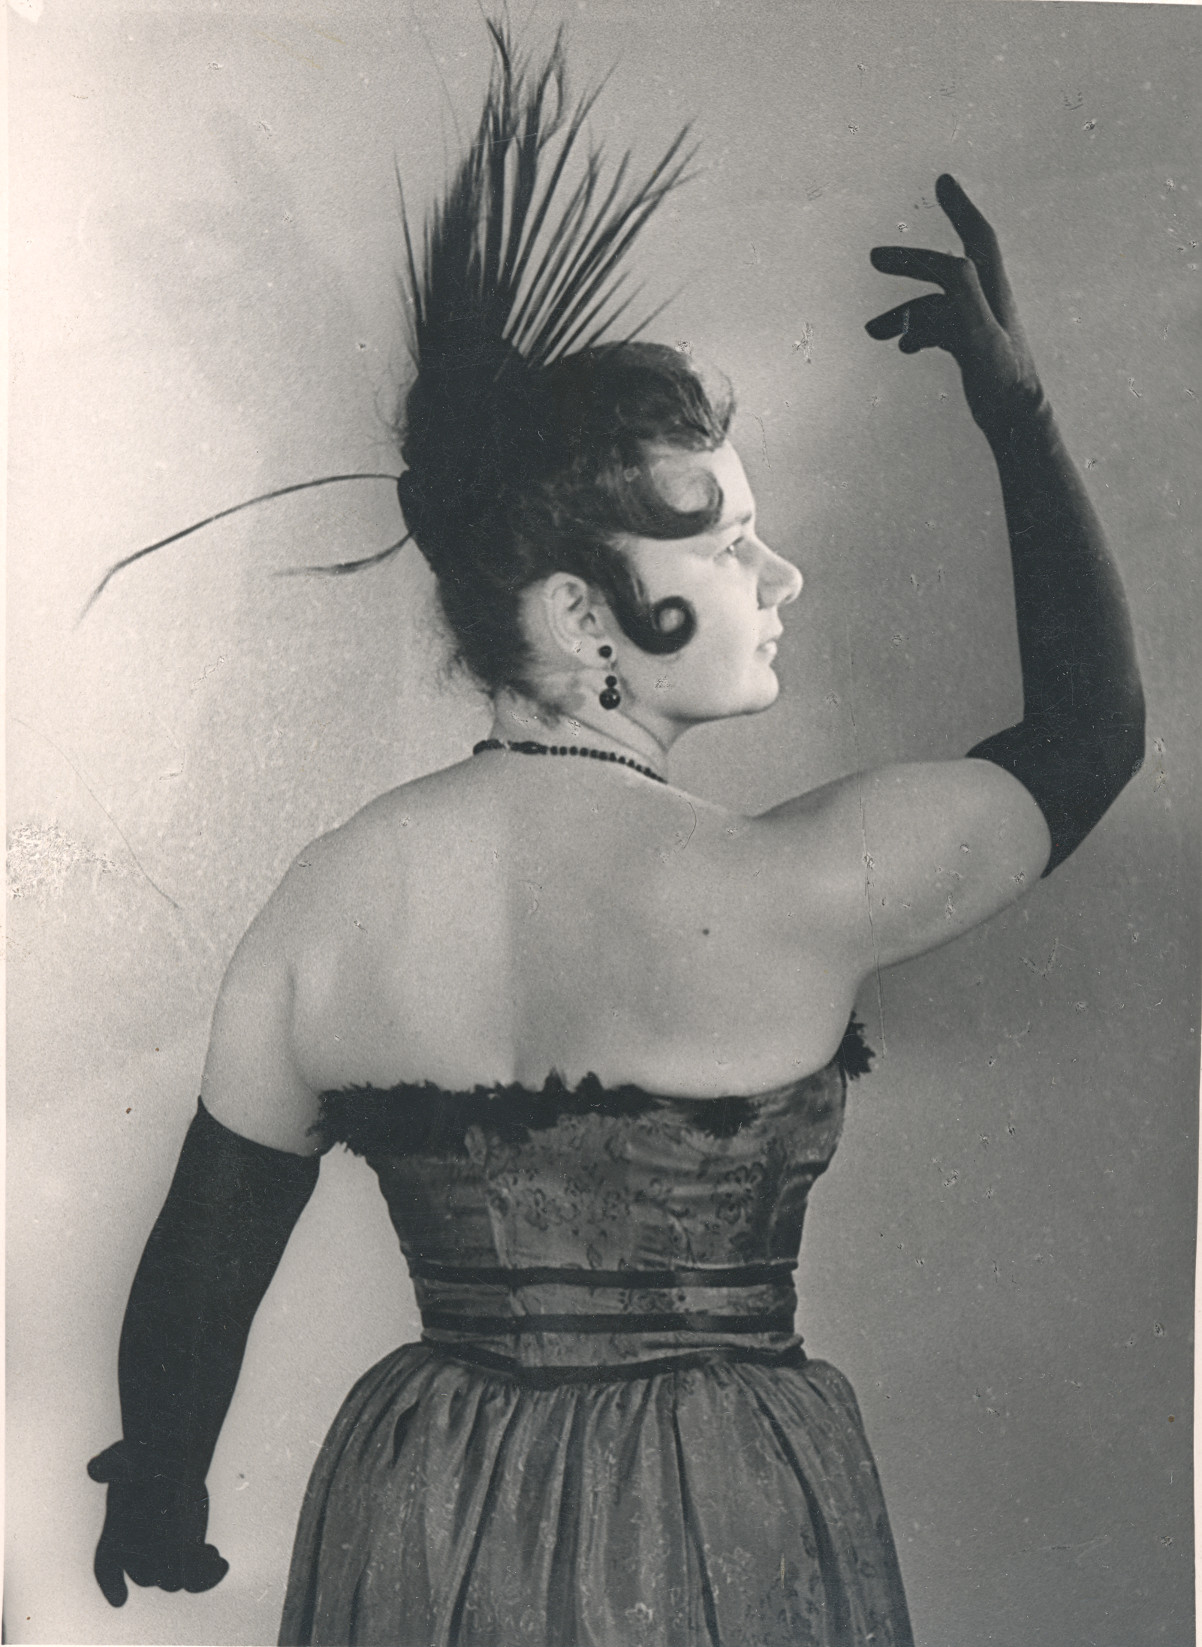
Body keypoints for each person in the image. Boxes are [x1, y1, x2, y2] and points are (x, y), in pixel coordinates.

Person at [85, 27, 1144, 1647]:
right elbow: (1088, 739)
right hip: (717, 1510)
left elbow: (204, 1254)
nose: (777, 576)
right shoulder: (795, 885)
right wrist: (1016, 412)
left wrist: (160, 1482)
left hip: (422, 1501)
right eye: (726, 541)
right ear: (587, 616)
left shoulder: (325, 902)